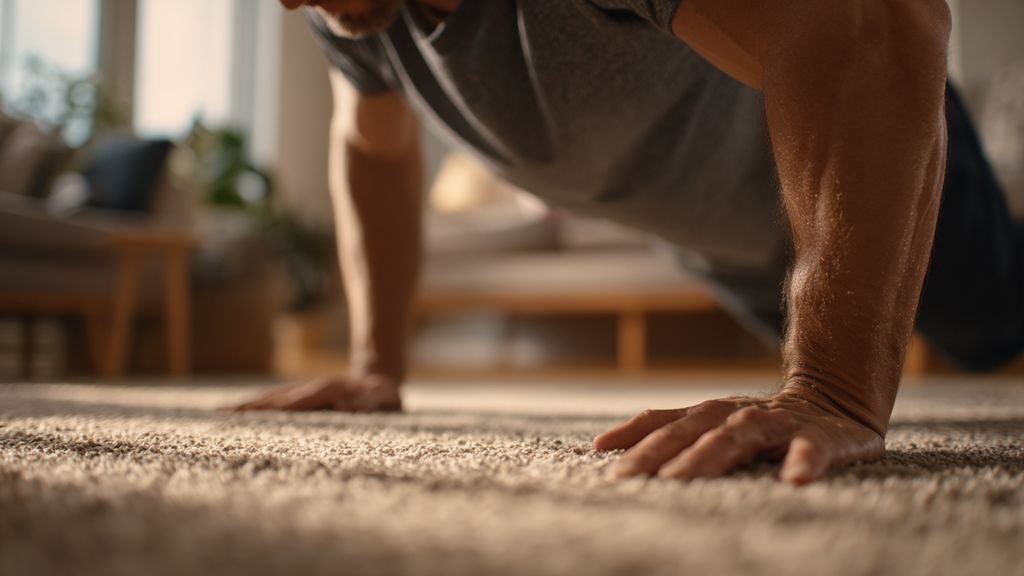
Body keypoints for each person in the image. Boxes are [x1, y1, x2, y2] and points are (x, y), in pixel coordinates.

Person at [239, 0, 1021, 484]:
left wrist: (835, 388)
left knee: (999, 340)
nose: (283, 3)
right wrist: (376, 365)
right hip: (736, 254)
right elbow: (371, 145)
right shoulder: (350, 16)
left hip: (865, 179)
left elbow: (882, 18)